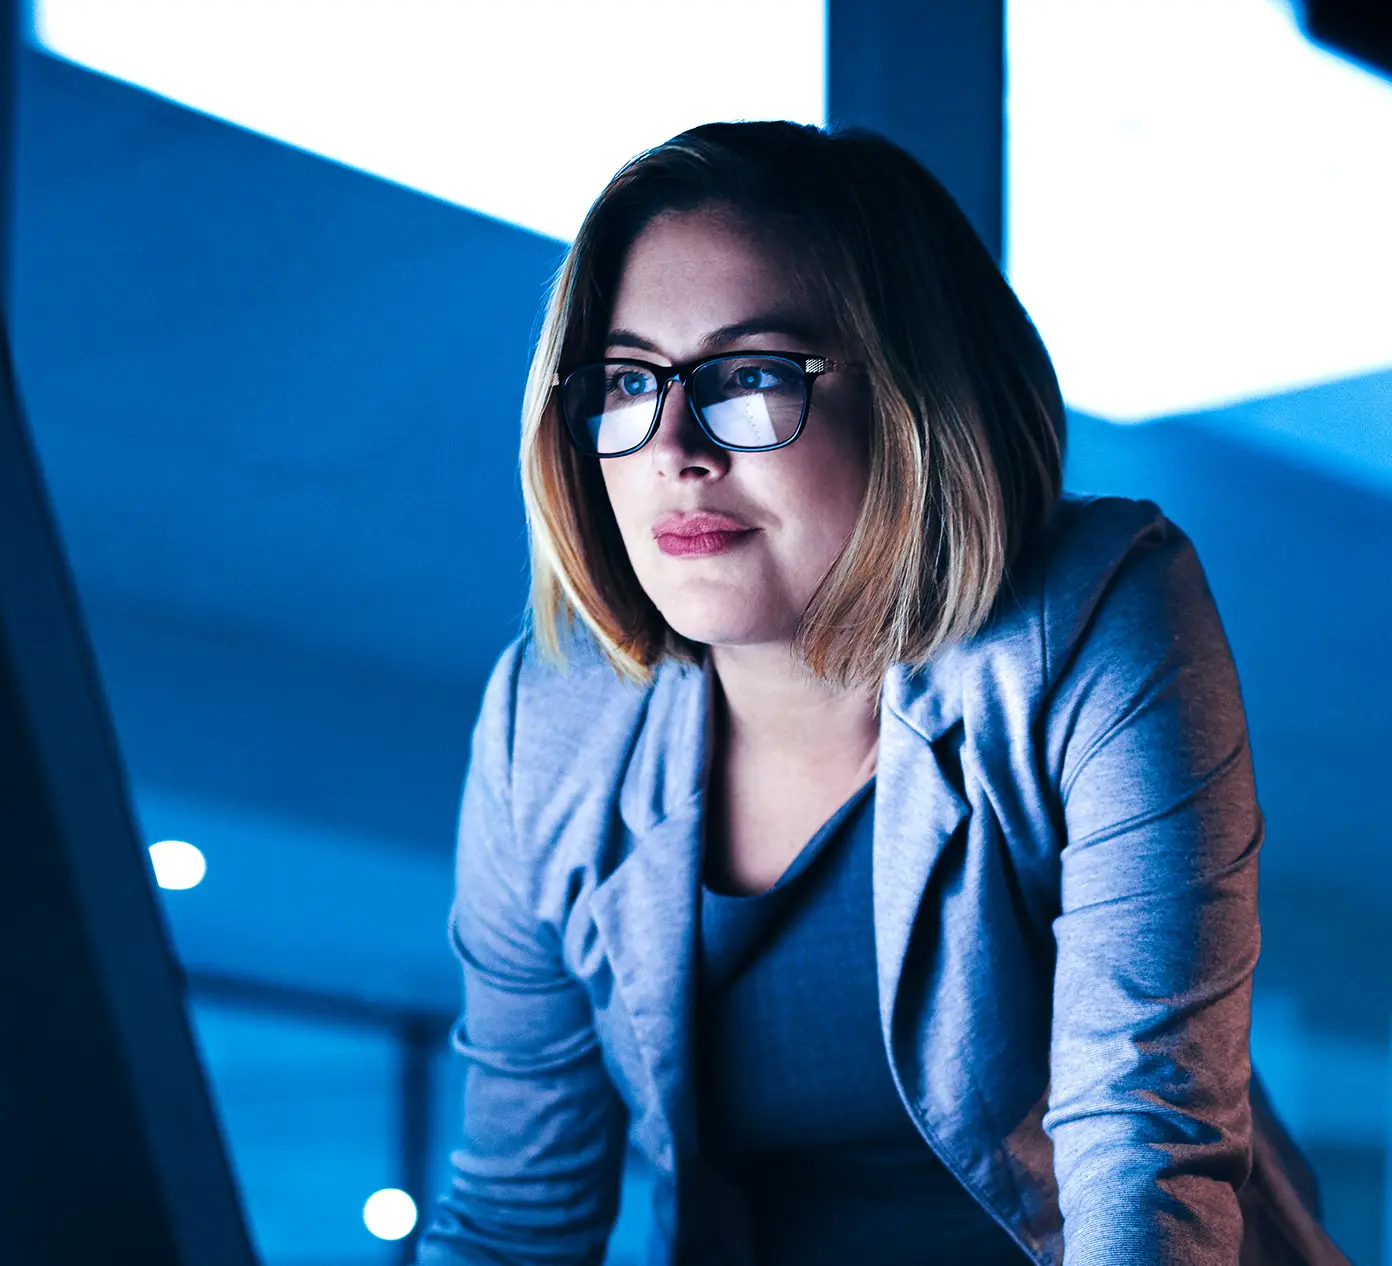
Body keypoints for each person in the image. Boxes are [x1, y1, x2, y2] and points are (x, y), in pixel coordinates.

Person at [416, 122, 1343, 1266]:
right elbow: (514, 1220)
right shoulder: (545, 724)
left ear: (908, 401)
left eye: (749, 376)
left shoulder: (1094, 613)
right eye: (625, 382)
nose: (673, 446)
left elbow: (1140, 1151)